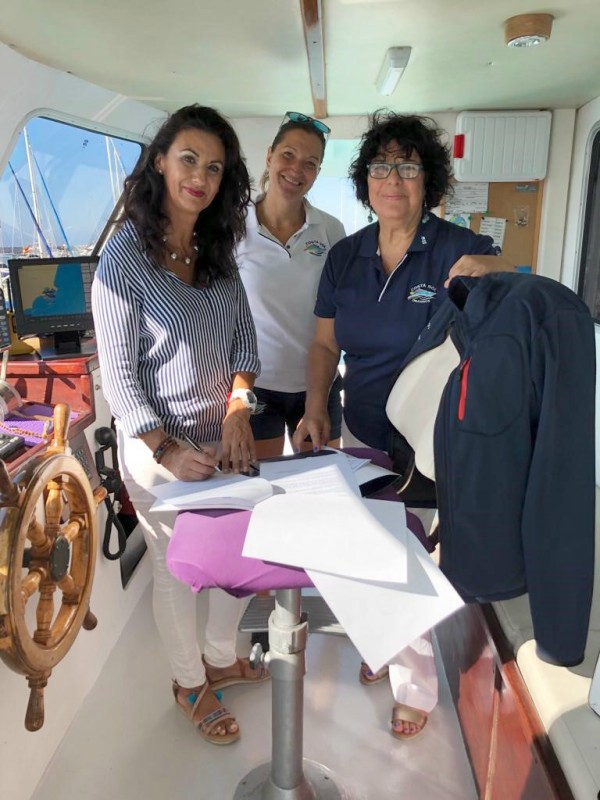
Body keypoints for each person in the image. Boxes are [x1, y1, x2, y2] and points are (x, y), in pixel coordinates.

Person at [293, 111, 514, 739]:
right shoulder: (345, 256)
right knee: (369, 549)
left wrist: (495, 274)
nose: (393, 179)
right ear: (366, 181)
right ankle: (387, 645)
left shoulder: (457, 248)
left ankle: (414, 685)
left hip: (432, 439)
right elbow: (324, 345)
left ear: (428, 180)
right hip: (362, 430)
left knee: (410, 555)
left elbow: (511, 298)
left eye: (408, 167)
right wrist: (315, 408)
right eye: (382, 166)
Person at [92, 105, 267, 746]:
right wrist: (166, 448)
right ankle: (189, 683)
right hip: (154, 446)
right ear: (161, 162)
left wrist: (238, 406)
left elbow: (245, 345)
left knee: (242, 554)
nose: (200, 176)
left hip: (220, 438)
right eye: (189, 159)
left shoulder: (216, 253)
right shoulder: (123, 258)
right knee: (178, 568)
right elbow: (119, 379)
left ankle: (220, 657)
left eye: (214, 168)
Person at [235, 112, 346, 458]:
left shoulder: (331, 230)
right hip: (257, 384)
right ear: (269, 156)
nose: (296, 170)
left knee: (324, 482)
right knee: (262, 483)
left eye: (310, 163)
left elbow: (339, 311)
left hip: (320, 384)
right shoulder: (233, 226)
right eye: (288, 155)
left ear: (317, 172)